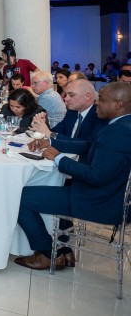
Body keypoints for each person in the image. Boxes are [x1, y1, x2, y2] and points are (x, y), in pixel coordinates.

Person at [15, 83, 131, 270]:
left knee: (20, 197)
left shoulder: (118, 132)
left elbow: (96, 176)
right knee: (54, 187)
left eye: (101, 99)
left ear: (118, 104)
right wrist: (50, 142)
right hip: (106, 195)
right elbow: (89, 145)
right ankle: (64, 248)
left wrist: (58, 158)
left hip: (100, 201)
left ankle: (47, 253)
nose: (97, 103)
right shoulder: (122, 125)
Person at [30, 78, 106, 143]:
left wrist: (49, 134)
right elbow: (57, 132)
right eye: (66, 95)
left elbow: (86, 144)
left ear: (87, 96)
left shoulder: (100, 116)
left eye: (71, 95)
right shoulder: (72, 112)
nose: (66, 99)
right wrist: (43, 124)